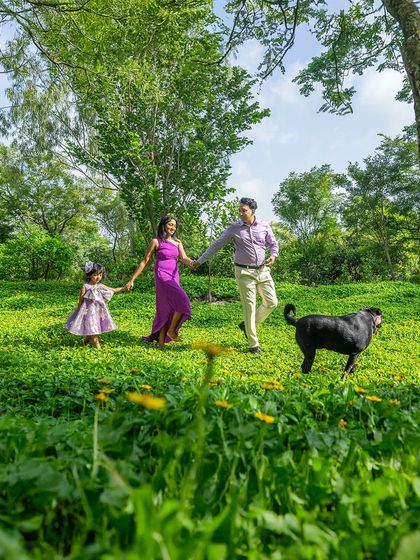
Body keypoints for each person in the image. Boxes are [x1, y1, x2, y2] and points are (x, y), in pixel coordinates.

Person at [193, 197, 278, 353]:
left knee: (272, 302)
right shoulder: (234, 228)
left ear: (253, 211)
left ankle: (246, 326)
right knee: (249, 307)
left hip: (263, 270)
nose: (240, 213)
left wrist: (273, 255)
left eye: (243, 210)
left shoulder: (264, 226)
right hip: (244, 272)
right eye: (239, 210)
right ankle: (254, 345)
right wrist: (200, 260)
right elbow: (216, 244)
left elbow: (273, 243)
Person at [126, 215, 194, 347]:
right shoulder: (156, 241)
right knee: (183, 299)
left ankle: (161, 342)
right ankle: (171, 330)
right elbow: (145, 260)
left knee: (166, 308)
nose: (172, 227)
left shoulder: (178, 242)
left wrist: (192, 263)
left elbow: (184, 258)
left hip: (174, 276)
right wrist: (132, 279)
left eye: (174, 225)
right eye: (170, 224)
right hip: (162, 276)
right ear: (163, 225)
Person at [66, 262, 127, 348]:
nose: (98, 277)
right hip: (88, 312)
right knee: (93, 330)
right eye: (95, 275)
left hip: (98, 312)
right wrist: (79, 313)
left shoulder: (100, 286)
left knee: (92, 328)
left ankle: (86, 341)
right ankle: (98, 348)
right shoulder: (86, 287)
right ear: (89, 275)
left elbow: (113, 290)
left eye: (100, 275)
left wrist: (124, 288)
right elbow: (80, 301)